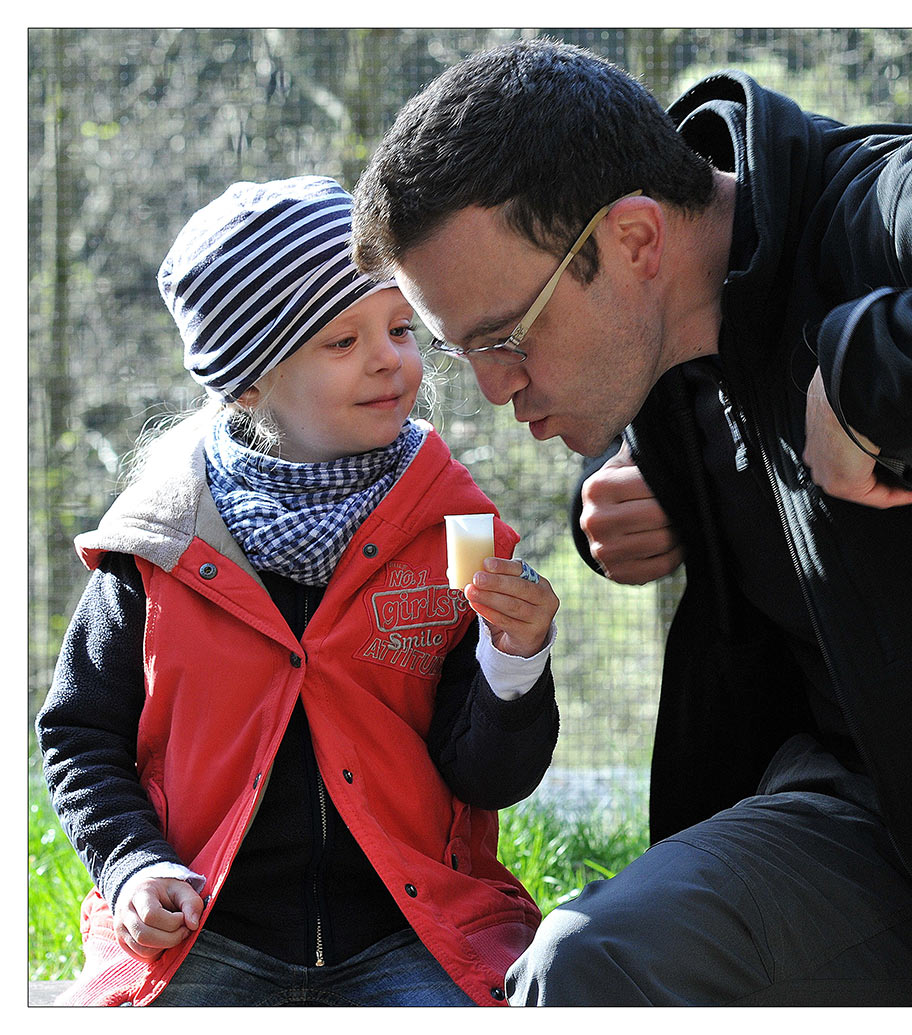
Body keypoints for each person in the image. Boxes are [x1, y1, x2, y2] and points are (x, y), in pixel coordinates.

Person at [350, 38, 912, 1007]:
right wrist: (639, 504)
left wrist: (879, 376)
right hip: (868, 835)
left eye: (506, 336)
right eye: (464, 353)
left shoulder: (880, 207)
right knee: (588, 963)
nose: (494, 388)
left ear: (636, 241)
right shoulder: (657, 342)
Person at [36, 175, 561, 1007]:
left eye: (399, 327)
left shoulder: (456, 527)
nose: (390, 358)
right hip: (203, 934)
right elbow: (79, 736)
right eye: (342, 340)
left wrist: (516, 661)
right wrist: (132, 863)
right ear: (248, 382)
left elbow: (488, 779)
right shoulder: (158, 547)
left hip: (409, 933)